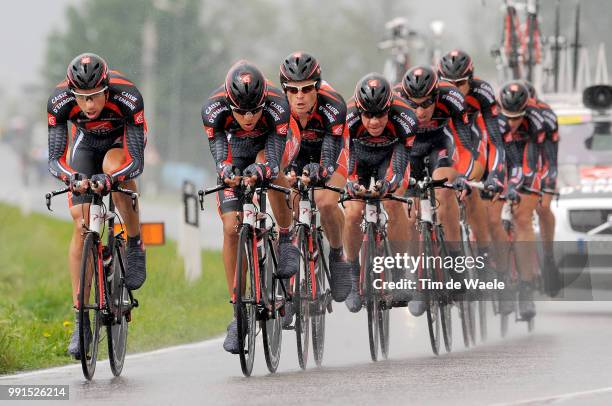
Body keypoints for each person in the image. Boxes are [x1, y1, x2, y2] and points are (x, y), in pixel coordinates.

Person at [47, 53, 147, 359]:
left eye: (95, 97)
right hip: (87, 144)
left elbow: (136, 162)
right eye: (83, 99)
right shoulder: (59, 101)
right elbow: (54, 157)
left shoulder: (128, 96)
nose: (90, 106)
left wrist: (111, 178)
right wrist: (72, 177)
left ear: (106, 90)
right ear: (73, 93)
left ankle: (133, 242)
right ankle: (81, 320)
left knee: (115, 175)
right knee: (81, 223)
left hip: (121, 145)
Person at [202, 60, 299, 353]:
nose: (248, 117)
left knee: (270, 170)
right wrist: (225, 170)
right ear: (229, 103)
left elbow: (272, 156)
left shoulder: (277, 105)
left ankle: (285, 235)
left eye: (254, 110)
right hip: (235, 153)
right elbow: (219, 153)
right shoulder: (213, 108)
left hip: (269, 148)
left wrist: (264, 170)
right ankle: (237, 311)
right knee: (232, 227)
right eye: (241, 111)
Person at [394, 65, 474, 316]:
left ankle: (455, 258)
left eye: (426, 103)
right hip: (409, 150)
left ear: (436, 95)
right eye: (414, 104)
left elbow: (466, 140)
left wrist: (464, 176)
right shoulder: (394, 101)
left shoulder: (451, 96)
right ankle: (412, 272)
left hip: (441, 145)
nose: (420, 111)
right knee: (408, 212)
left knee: (443, 192)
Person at [279, 52, 352, 305]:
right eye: (293, 90)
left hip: (329, 150)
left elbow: (331, 154)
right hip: (297, 152)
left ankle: (336, 253)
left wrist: (320, 172)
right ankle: (286, 288)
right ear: (284, 90)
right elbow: (278, 149)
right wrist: (284, 174)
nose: (299, 97)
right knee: (289, 198)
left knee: (326, 202)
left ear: (317, 88)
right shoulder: (278, 108)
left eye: (307, 89)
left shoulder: (334, 105)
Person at [343, 73, 417, 312]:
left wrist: (389, 183)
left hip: (390, 156)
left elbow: (401, 160)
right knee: (353, 212)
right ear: (359, 111)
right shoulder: (348, 116)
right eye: (368, 115)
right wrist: (352, 183)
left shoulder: (405, 116)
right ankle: (354, 281)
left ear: (389, 109)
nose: (374, 122)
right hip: (359, 157)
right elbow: (343, 156)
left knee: (394, 203)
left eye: (380, 115)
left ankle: (398, 273)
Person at [437, 50, 507, 284]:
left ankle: (486, 256)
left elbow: (496, 139)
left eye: (461, 83)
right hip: (446, 142)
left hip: (474, 140)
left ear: (471, 79)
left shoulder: (481, 92)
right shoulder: (434, 95)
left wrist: (496, 174)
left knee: (472, 191)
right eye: (450, 83)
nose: (456, 89)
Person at [497, 81, 546, 318]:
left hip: (526, 168)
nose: (512, 122)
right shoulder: (493, 121)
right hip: (501, 168)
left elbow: (533, 159)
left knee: (523, 219)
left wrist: (523, 184)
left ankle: (526, 289)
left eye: (518, 117)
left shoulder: (535, 124)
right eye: (508, 116)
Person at [524, 81, 561, 297]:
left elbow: (550, 156)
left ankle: (548, 257)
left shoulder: (545, 115)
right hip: (515, 163)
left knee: (542, 207)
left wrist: (546, 186)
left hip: (541, 162)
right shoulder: (501, 115)